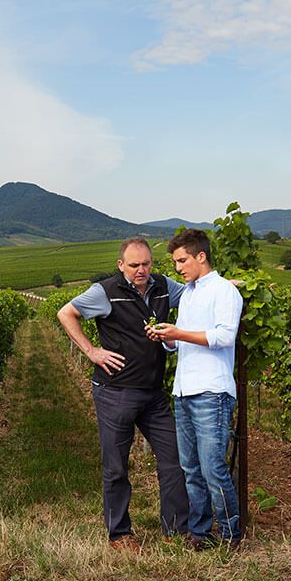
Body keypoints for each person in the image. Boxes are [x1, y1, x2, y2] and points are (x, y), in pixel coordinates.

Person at [57, 237, 190, 551]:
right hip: (115, 392)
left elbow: (199, 290)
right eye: (134, 265)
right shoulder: (105, 292)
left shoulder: (163, 286)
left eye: (146, 264)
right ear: (121, 265)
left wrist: (227, 284)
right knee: (116, 464)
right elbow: (66, 313)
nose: (141, 270)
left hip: (153, 393)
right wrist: (92, 352)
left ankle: (175, 529)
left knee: (174, 460)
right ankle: (120, 534)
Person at [146, 229, 244, 550]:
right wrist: (167, 337)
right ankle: (200, 534)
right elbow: (182, 342)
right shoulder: (187, 294)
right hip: (184, 392)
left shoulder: (224, 292)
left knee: (213, 469)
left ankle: (231, 538)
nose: (178, 268)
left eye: (182, 260)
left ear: (201, 256)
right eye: (175, 262)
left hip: (212, 393)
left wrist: (180, 333)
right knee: (190, 470)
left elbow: (223, 337)